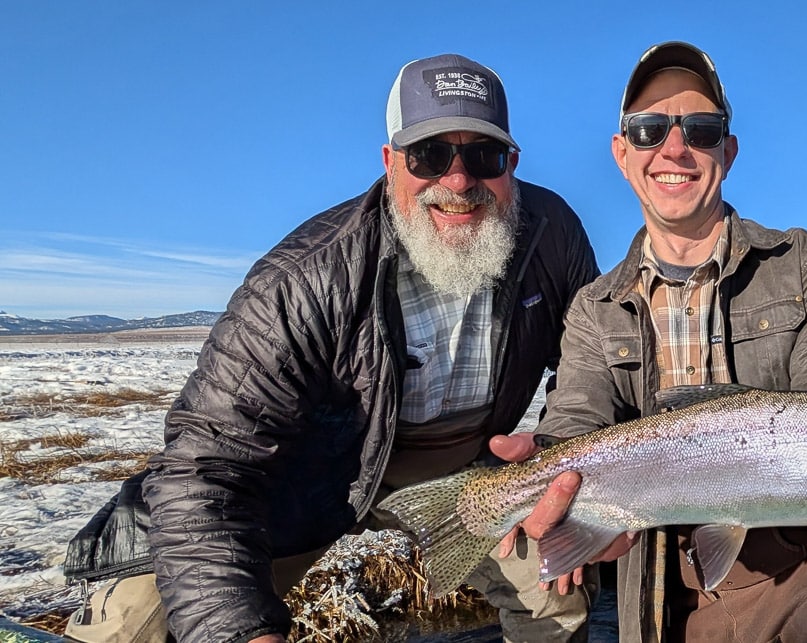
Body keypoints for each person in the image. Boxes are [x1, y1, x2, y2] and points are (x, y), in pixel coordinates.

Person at [62, 53, 600, 643]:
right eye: (430, 154)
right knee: (140, 622)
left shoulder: (551, 235)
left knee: (556, 594)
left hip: (470, 474)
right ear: (390, 161)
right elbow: (205, 467)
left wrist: (555, 455)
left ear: (512, 165)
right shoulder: (302, 281)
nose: (459, 180)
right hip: (304, 481)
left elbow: (584, 368)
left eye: (483, 155)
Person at [492, 41, 807, 642]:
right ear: (623, 155)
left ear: (728, 150)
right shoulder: (594, 309)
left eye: (700, 130)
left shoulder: (805, 264)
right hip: (662, 593)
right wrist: (550, 488)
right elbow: (574, 428)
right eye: (649, 131)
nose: (675, 148)